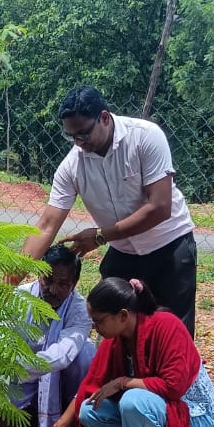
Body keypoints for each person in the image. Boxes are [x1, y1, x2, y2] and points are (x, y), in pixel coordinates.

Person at [22, 85, 197, 336]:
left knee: (172, 333)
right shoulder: (73, 165)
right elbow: (47, 224)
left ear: (104, 118)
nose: (78, 143)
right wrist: (9, 280)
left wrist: (100, 236)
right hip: (124, 251)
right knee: (115, 330)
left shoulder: (145, 137)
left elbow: (159, 207)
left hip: (169, 246)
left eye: (83, 134)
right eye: (71, 136)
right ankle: (123, 376)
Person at [39, 277, 214, 427]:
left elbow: (173, 387)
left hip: (195, 417)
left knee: (132, 401)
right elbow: (89, 388)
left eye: (99, 321)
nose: (95, 328)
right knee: (89, 410)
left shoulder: (167, 326)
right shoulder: (117, 339)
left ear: (123, 315)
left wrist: (123, 382)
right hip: (157, 413)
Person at [0, 244, 96, 427]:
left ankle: (70, 420)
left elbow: (61, 355)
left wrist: (17, 366)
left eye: (62, 284)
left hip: (52, 375)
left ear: (75, 283)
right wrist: (3, 411)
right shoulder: (15, 298)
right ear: (38, 273)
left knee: (86, 352)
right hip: (11, 380)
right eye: (48, 280)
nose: (52, 290)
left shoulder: (79, 310)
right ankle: (12, 415)